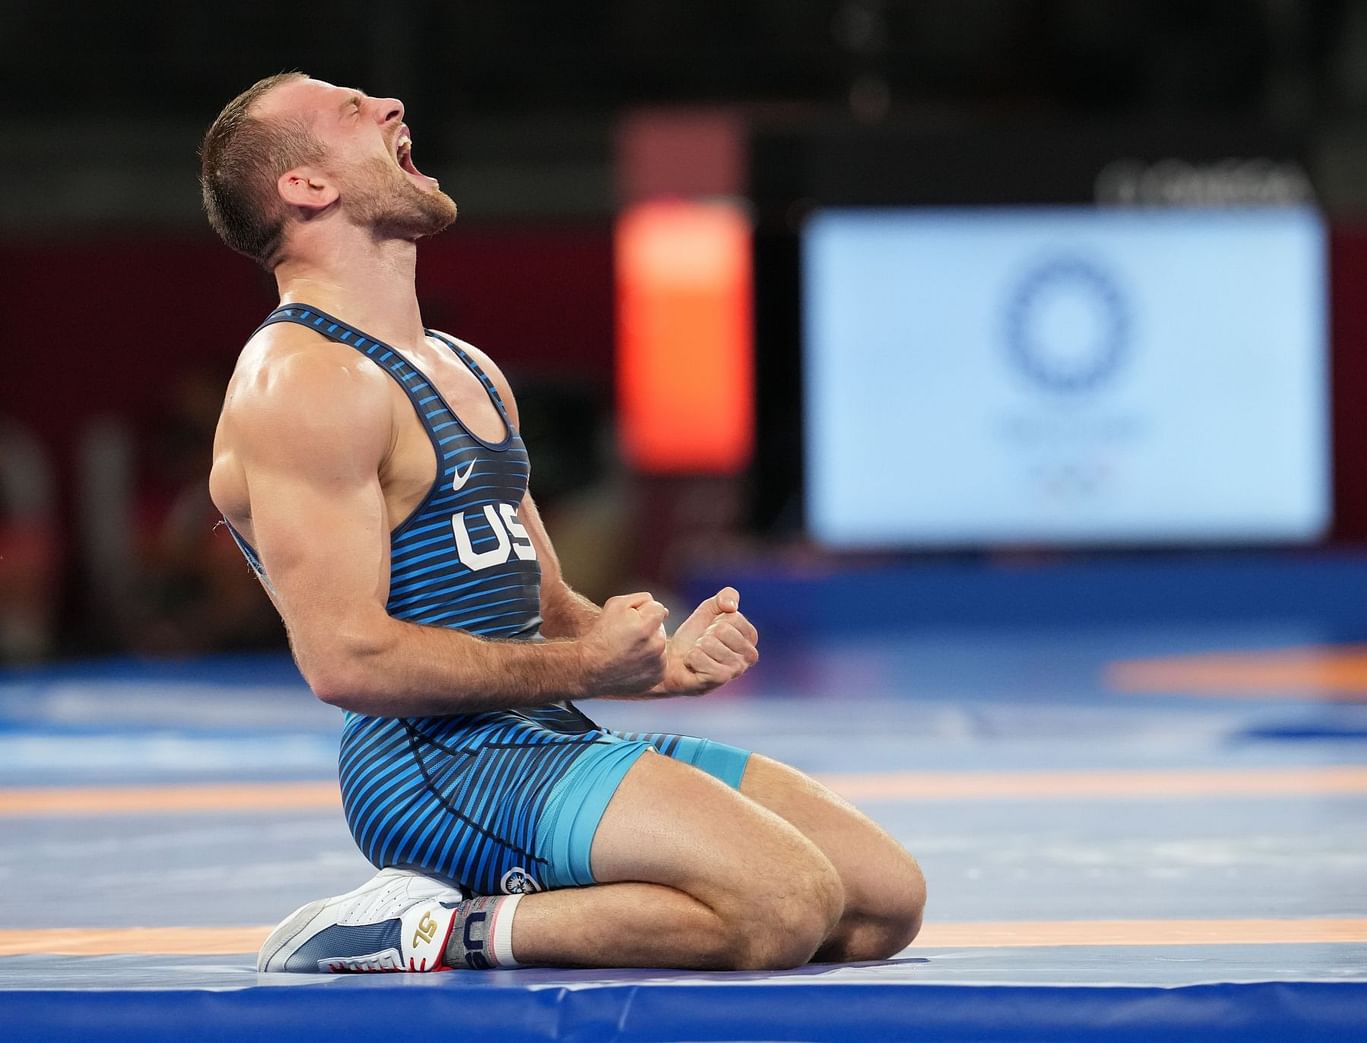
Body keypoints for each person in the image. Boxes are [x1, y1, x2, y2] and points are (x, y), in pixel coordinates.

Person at [200, 73, 924, 974]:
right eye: (351, 109)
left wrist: (658, 664)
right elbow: (346, 659)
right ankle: (413, 931)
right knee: (782, 907)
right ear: (307, 188)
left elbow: (549, 609)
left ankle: (527, 895)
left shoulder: (467, 368)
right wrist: (587, 664)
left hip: (541, 733)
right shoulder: (302, 377)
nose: (389, 105)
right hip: (431, 765)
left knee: (883, 900)